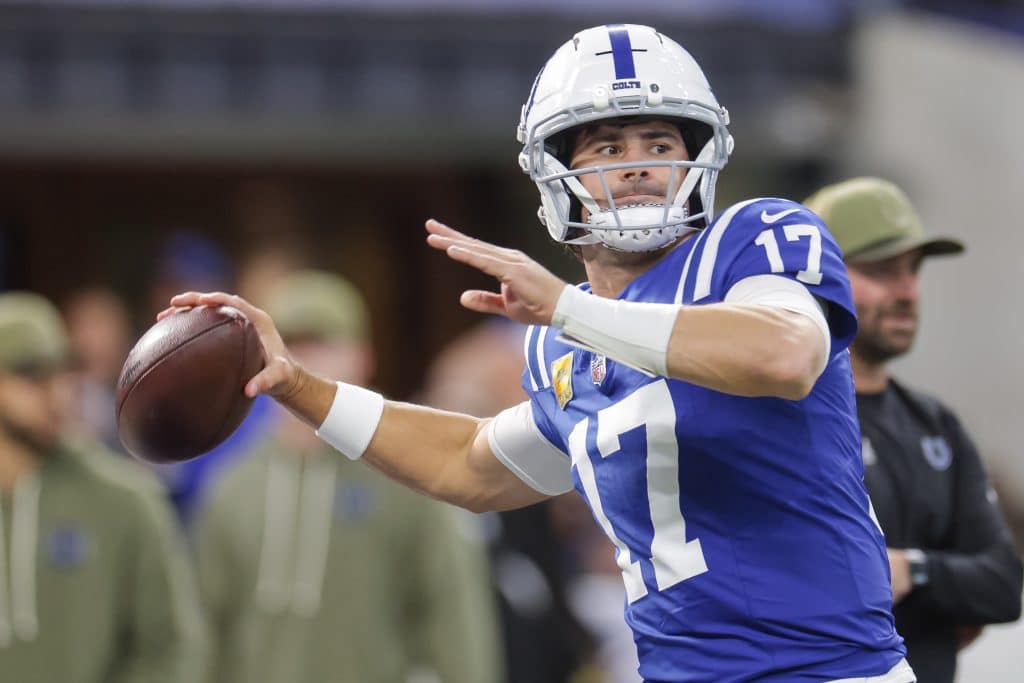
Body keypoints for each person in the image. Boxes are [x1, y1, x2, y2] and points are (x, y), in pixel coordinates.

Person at [165, 24, 913, 682]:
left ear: (699, 159)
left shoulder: (749, 241)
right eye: (608, 146)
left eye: (660, 142)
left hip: (828, 671)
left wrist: (569, 308)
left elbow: (784, 355)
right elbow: (468, 462)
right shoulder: (566, 349)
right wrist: (299, 385)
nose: (639, 163)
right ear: (557, 176)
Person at [192, 270, 503, 683]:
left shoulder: (407, 470)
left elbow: (453, 615)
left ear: (362, 356)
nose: (307, 359)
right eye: (294, 343)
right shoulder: (231, 485)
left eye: (323, 343)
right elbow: (203, 631)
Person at [803, 177, 1023, 683]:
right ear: (816, 276)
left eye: (913, 271)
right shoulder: (776, 414)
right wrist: (945, 589)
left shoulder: (934, 423)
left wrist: (912, 570)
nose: (908, 292)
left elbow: (1002, 584)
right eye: (881, 271)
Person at [0, 291, 207, 683]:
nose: (56, 392)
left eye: (62, 371)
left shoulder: (126, 501)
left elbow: (173, 647)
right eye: (31, 373)